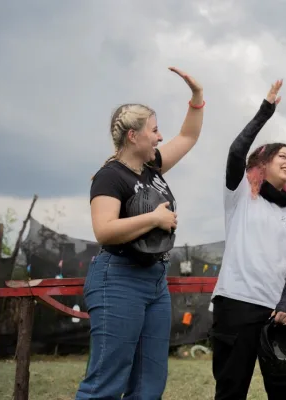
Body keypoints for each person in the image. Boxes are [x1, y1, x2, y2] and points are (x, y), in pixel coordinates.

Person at [75, 67, 205, 400]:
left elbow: (188, 137)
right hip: (119, 278)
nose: (160, 137)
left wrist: (196, 96)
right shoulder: (110, 177)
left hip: (155, 281)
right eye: (154, 130)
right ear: (133, 136)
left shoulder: (152, 167)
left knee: (150, 384)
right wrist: (154, 218)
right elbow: (104, 231)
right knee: (105, 383)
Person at [209, 80, 286, 400]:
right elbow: (236, 151)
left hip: (278, 314)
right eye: (283, 155)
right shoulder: (240, 193)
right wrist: (266, 110)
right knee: (231, 389)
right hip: (236, 305)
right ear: (264, 161)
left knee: (285, 393)